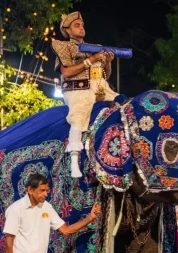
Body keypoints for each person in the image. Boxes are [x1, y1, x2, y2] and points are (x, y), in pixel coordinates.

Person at [51, 11, 118, 178]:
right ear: (67, 30)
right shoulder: (65, 47)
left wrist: (107, 62)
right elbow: (66, 72)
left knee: (122, 105)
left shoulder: (95, 48)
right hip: (78, 89)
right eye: (76, 25)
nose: (81, 28)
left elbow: (106, 75)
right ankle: (74, 160)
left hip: (101, 88)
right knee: (79, 115)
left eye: (82, 25)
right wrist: (90, 60)